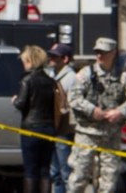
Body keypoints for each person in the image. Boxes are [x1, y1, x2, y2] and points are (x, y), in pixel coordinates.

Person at [66, 37, 126, 193]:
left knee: (108, 181)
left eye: (104, 52)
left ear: (113, 53)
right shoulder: (86, 74)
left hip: (110, 135)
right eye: (97, 52)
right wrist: (91, 110)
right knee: (78, 178)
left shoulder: (123, 77)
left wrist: (120, 112)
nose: (99, 56)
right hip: (87, 134)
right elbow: (73, 97)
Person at [13, 45, 63, 193]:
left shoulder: (27, 80)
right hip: (48, 129)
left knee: (30, 170)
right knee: (45, 170)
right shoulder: (51, 81)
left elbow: (21, 103)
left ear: (29, 61)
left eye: (24, 61)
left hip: (30, 129)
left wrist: (14, 100)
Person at [46, 44, 76, 193]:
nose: (50, 58)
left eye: (55, 56)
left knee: (66, 173)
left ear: (65, 59)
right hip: (53, 129)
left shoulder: (71, 78)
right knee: (55, 173)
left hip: (63, 130)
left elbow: (71, 105)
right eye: (50, 55)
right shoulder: (52, 75)